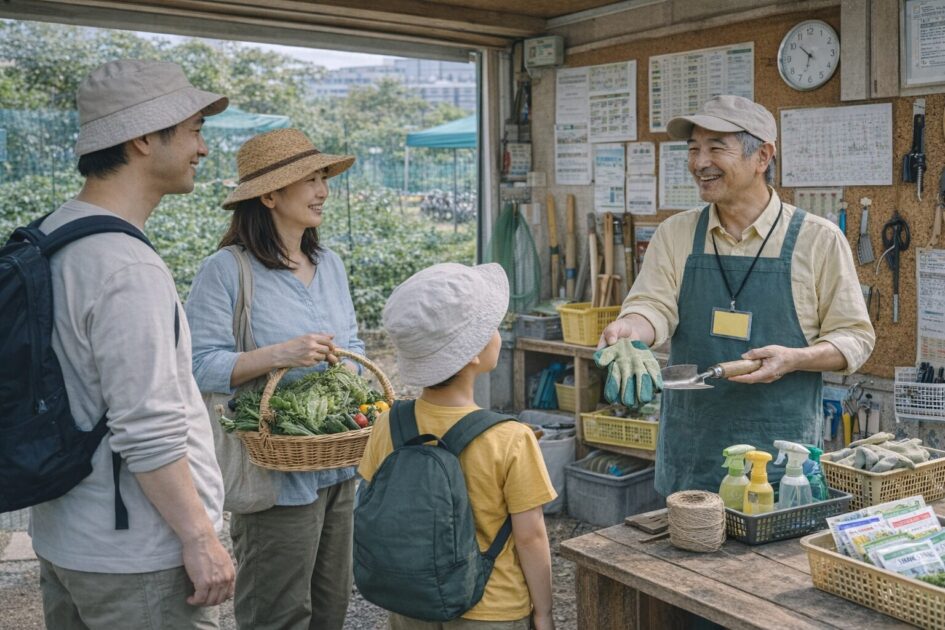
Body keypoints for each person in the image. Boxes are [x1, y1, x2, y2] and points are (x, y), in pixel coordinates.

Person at [30, 60, 234, 629]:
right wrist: (201, 540)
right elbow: (148, 426)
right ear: (144, 137)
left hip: (66, 533)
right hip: (136, 556)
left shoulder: (51, 236)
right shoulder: (125, 267)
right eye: (195, 129)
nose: (203, 149)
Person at [598, 95, 875, 497]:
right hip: (692, 454)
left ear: (762, 156)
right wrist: (628, 329)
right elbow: (652, 307)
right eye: (693, 149)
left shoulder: (818, 240)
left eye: (715, 148)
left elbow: (855, 337)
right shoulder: (676, 234)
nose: (699, 162)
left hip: (782, 462)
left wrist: (795, 359)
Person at [185, 127, 363, 630]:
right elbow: (198, 365)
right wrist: (279, 354)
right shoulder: (227, 270)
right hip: (273, 474)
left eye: (323, 176)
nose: (323, 190)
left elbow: (355, 348)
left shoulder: (330, 265)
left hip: (338, 462)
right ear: (269, 195)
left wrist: (355, 382)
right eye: (310, 179)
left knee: (331, 610)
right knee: (278, 614)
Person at [359, 262, 558, 630]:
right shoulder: (510, 438)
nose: (497, 333)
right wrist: (544, 612)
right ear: (472, 354)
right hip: (492, 608)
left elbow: (374, 502)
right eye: (491, 327)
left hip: (412, 603)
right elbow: (530, 537)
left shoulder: (389, 423)